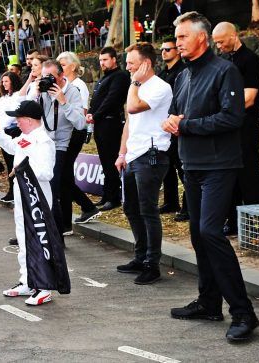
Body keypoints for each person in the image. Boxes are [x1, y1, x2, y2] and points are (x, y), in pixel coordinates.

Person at [162, 11, 259, 342]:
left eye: (182, 37)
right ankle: (208, 303)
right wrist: (172, 122)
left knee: (210, 233)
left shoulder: (225, 71)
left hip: (220, 166)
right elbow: (177, 114)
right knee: (198, 235)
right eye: (176, 38)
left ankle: (244, 313)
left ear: (201, 38)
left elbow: (232, 118)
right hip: (192, 165)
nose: (177, 43)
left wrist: (185, 125)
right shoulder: (183, 77)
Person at [115, 42, 172, 285]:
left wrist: (135, 84)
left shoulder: (160, 87)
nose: (127, 67)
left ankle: (152, 263)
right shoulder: (135, 86)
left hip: (152, 155)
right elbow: (129, 122)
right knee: (130, 208)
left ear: (146, 64)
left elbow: (134, 107)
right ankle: (140, 256)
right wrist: (121, 153)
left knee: (148, 210)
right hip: (132, 155)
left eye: (132, 63)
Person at [0, 100, 56, 305]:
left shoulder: (44, 141)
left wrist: (21, 169)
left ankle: (44, 286)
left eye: (18, 118)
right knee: (23, 238)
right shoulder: (24, 137)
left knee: (39, 239)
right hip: (23, 194)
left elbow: (46, 172)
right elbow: (11, 148)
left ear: (28, 119)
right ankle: (28, 280)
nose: (16, 121)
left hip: (38, 198)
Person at [212, 22, 259, 236]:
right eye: (215, 43)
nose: (218, 46)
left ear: (233, 36)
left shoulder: (250, 59)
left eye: (221, 41)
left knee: (248, 172)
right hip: (227, 125)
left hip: (246, 125)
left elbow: (250, 98)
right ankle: (233, 221)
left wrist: (224, 112)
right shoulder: (224, 60)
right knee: (230, 173)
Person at [38, 60, 86, 240]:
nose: (47, 80)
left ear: (61, 76)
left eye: (50, 77)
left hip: (59, 146)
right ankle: (45, 231)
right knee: (43, 188)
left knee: (53, 189)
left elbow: (81, 123)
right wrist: (35, 94)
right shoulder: (42, 91)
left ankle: (57, 235)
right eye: (44, 77)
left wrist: (63, 101)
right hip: (43, 144)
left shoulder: (73, 91)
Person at [56, 51, 101, 232]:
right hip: (66, 132)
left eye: (63, 65)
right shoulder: (64, 85)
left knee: (63, 175)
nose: (60, 69)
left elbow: (80, 114)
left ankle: (77, 213)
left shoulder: (78, 86)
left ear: (73, 66)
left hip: (74, 133)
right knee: (63, 176)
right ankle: (84, 208)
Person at [87, 47, 131, 211]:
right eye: (100, 60)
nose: (102, 63)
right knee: (105, 161)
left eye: (105, 60)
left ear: (114, 59)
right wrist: (92, 113)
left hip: (111, 124)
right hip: (100, 124)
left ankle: (114, 197)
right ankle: (107, 194)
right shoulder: (103, 78)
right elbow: (96, 100)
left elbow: (112, 100)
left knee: (112, 161)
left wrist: (95, 115)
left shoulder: (120, 76)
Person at [158, 37, 188, 222]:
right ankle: (171, 201)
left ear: (177, 51)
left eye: (167, 49)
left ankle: (188, 206)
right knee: (167, 167)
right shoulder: (162, 74)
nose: (163, 52)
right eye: (162, 50)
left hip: (178, 123)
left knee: (182, 168)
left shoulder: (183, 72)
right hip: (164, 125)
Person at [0, 71, 23, 203]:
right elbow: (0, 115)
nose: (4, 83)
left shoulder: (18, 95)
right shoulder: (3, 98)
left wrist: (1, 127)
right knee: (8, 163)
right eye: (3, 81)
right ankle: (11, 190)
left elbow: (12, 115)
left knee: (15, 162)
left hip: (14, 131)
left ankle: (17, 190)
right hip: (3, 131)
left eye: (6, 81)